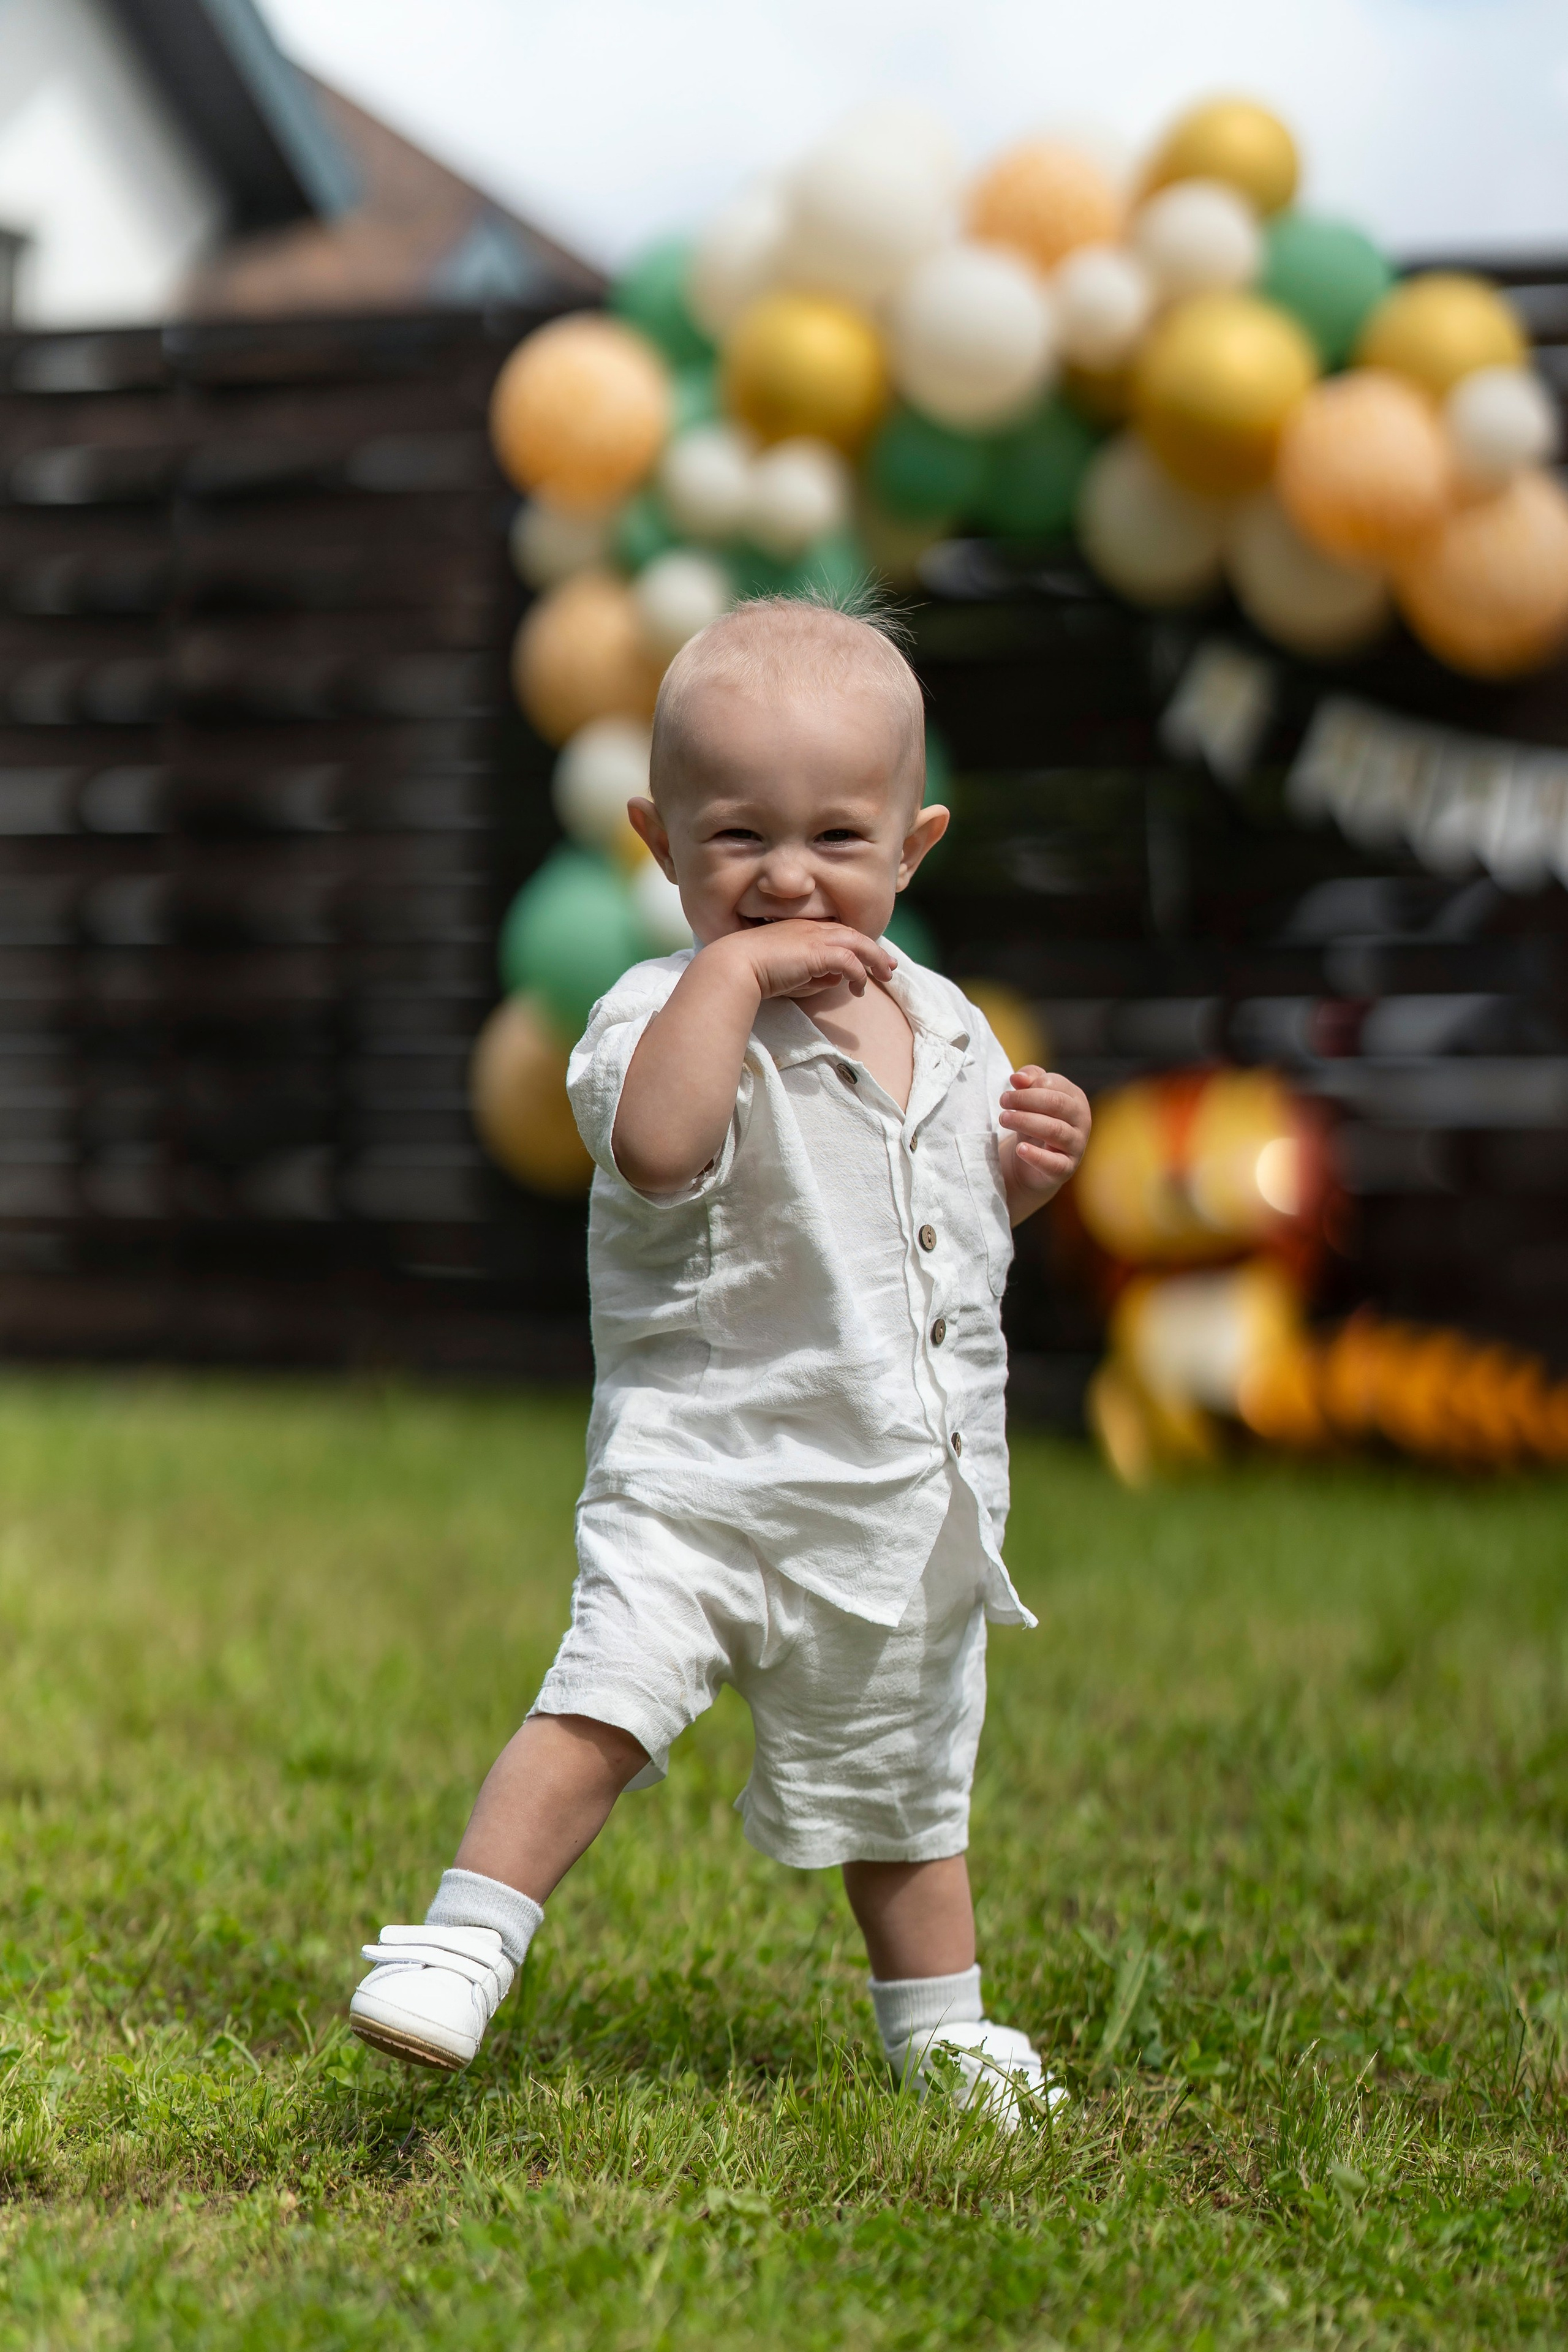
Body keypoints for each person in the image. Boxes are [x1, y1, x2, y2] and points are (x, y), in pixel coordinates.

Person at [349, 598, 1091, 2118]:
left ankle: (936, 2025)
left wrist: (1016, 1174)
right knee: (601, 1706)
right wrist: (732, 983)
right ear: (658, 839)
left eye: (835, 835)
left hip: (888, 1489)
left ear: (912, 848)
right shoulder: (654, 1011)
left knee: (904, 1783)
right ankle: (461, 1940)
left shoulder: (939, 1021)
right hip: (704, 1479)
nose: (787, 876)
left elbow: (920, 1222)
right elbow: (664, 1149)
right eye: (737, 834)